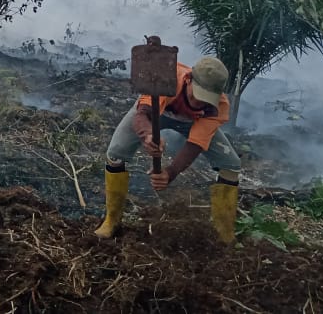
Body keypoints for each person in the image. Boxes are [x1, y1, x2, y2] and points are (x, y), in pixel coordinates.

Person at [94, 37, 241, 241]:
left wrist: (171, 172)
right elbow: (141, 115)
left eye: (207, 99)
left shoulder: (218, 107)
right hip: (154, 113)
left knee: (231, 165)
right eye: (196, 96)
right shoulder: (165, 78)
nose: (200, 103)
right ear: (189, 79)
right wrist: (148, 136)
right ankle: (111, 221)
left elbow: (196, 143)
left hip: (192, 122)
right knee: (115, 153)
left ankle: (224, 233)